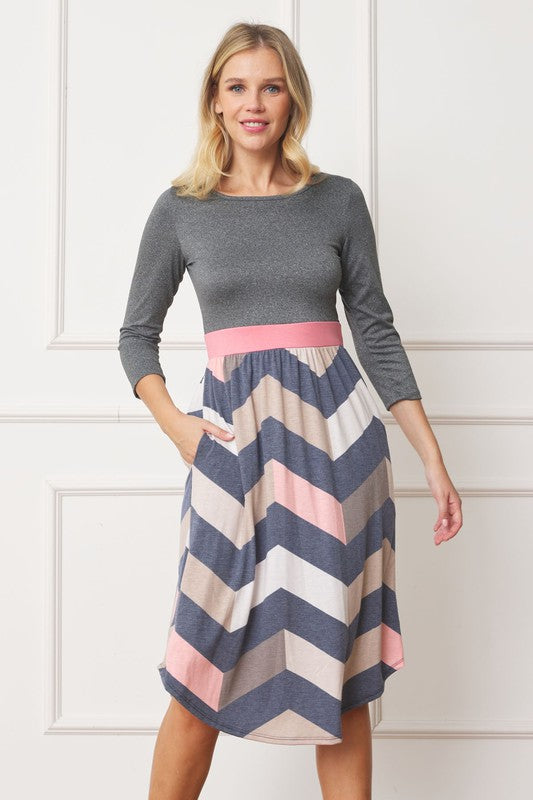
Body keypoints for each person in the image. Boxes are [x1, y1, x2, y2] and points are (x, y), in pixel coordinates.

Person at [118, 21, 463, 800]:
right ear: (214, 100)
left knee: (341, 675)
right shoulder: (181, 209)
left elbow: (374, 331)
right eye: (237, 86)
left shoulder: (336, 201)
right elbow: (135, 336)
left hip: (340, 452)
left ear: (291, 99)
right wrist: (177, 427)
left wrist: (432, 459)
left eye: (270, 86)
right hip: (231, 449)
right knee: (199, 661)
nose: (254, 103)